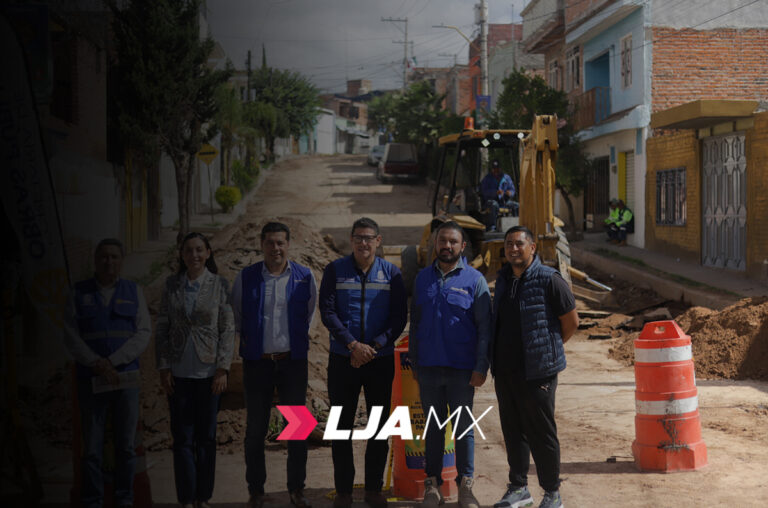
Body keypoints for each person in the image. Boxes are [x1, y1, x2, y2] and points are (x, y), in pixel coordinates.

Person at [319, 217, 407, 508]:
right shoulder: (335, 270)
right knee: (340, 427)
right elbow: (327, 311)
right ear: (352, 239)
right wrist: (353, 345)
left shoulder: (392, 274)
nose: (363, 243)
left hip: (379, 361)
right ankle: (343, 491)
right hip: (344, 358)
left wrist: (375, 346)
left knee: (379, 426)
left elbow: (399, 318)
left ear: (378, 241)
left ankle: (373, 488)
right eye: (358, 237)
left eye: (369, 238)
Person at [491, 226, 579, 508]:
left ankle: (552, 493)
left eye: (519, 244)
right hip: (505, 372)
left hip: (537, 373)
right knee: (512, 431)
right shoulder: (503, 279)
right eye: (509, 244)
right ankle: (518, 488)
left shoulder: (549, 279)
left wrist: (547, 351)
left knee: (542, 434)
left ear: (533, 247)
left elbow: (571, 322)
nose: (513, 249)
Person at [230, 222, 317, 508]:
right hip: (258, 364)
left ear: (288, 244)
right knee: (255, 430)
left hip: (292, 363)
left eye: (280, 243)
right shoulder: (247, 278)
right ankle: (256, 490)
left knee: (297, 429)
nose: (275, 248)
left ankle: (296, 490)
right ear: (262, 244)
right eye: (270, 243)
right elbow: (238, 316)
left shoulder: (305, 277)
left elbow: (310, 316)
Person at [62, 238, 151, 508]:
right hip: (91, 380)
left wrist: (112, 361)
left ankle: (124, 500)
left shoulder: (133, 291)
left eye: (114, 257)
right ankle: (92, 501)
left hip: (125, 381)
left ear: (121, 261)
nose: (108, 262)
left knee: (125, 447)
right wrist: (97, 364)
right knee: (91, 450)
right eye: (103, 257)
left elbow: (143, 332)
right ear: (95, 260)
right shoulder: (78, 293)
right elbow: (70, 335)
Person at [409, 221, 492, 508]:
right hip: (429, 369)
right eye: (442, 240)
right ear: (435, 243)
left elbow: (484, 328)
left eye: (453, 242)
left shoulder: (474, 280)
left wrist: (481, 366)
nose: (447, 246)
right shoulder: (421, 279)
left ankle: (465, 487)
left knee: (463, 428)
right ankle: (433, 486)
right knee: (432, 428)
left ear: (462, 246)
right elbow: (415, 324)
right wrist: (415, 364)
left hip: (461, 370)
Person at [156, 232, 235, 508]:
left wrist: (223, 368)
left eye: (199, 250)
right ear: (182, 255)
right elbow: (162, 328)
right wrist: (164, 367)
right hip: (178, 375)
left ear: (209, 253)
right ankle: (186, 498)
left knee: (207, 438)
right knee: (182, 439)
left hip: (209, 375)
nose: (194, 255)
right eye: (189, 251)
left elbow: (227, 330)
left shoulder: (219, 285)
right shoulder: (171, 286)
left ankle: (204, 496)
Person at [480, 159, 517, 231]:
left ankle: (516, 227)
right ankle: (492, 228)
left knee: (516, 205)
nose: (496, 171)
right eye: (494, 169)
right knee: (494, 205)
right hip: (490, 201)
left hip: (504, 201)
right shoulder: (487, 179)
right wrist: (495, 193)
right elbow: (484, 192)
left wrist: (510, 193)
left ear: (500, 169)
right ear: (492, 169)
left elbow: (513, 190)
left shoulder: (507, 178)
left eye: (497, 168)